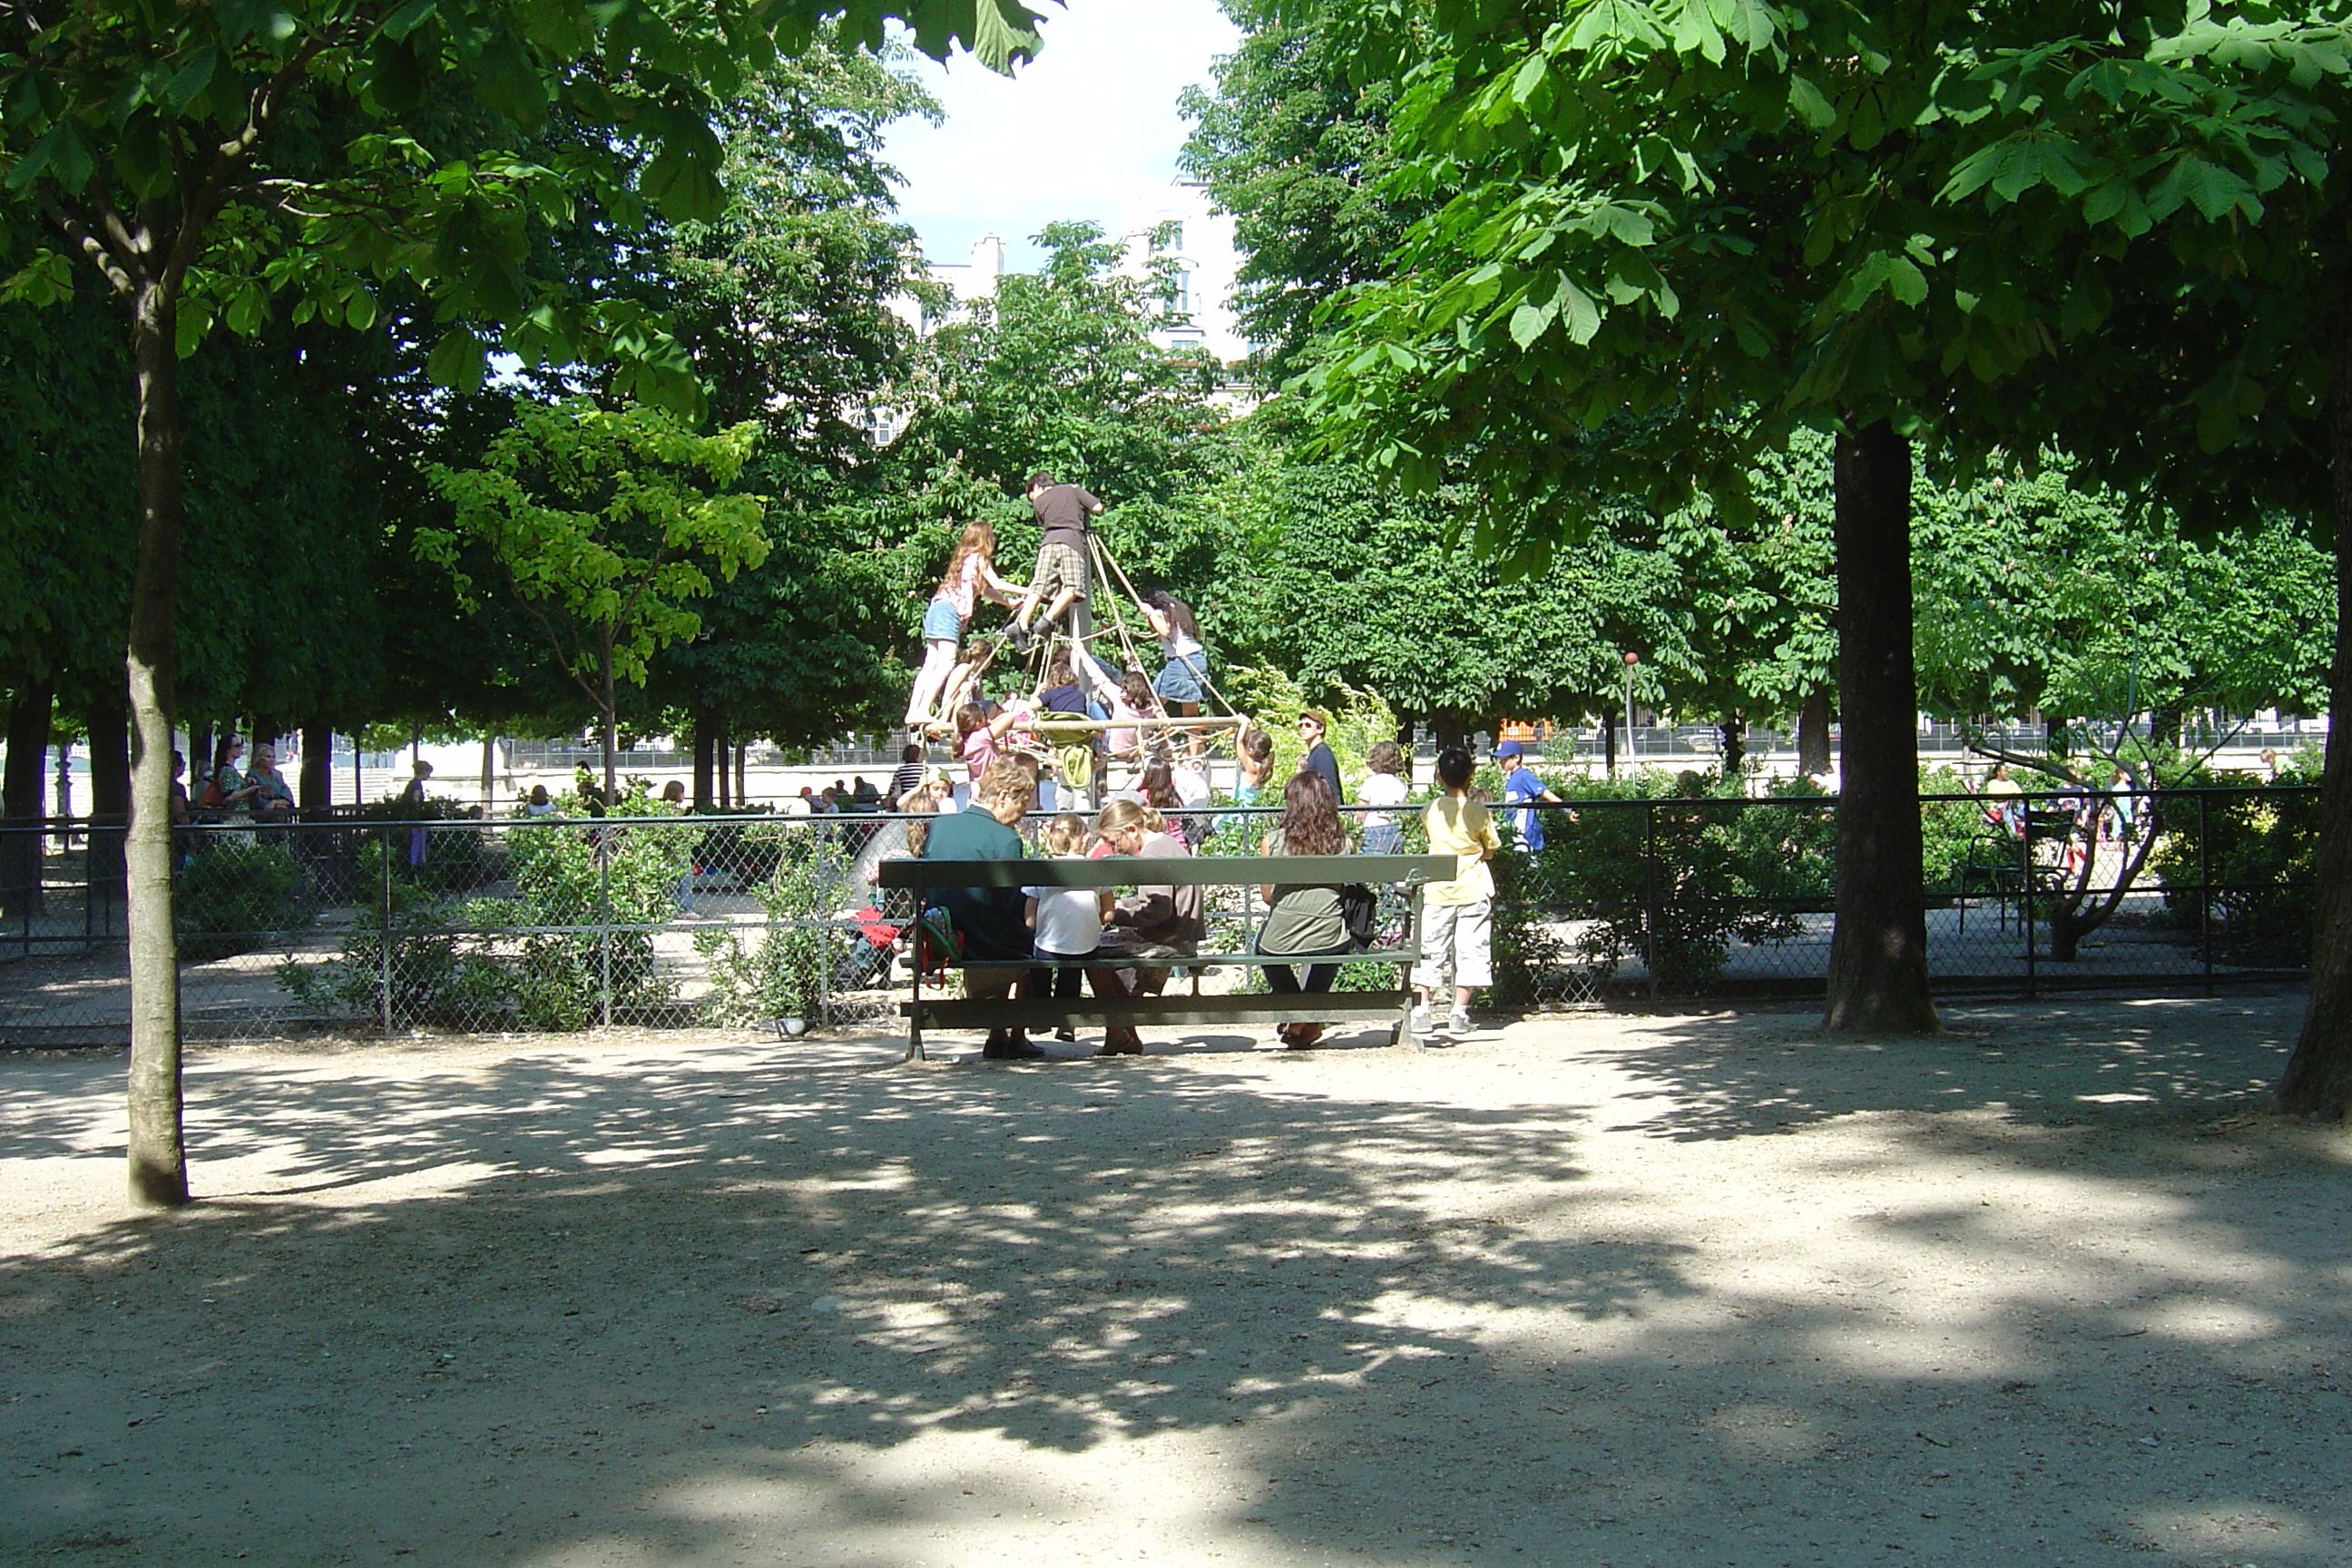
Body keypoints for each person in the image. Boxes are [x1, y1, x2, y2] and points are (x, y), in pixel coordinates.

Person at [922, 757, 1044, 1059]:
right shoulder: (1006, 839)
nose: (1024, 812)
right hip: (983, 940)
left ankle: (998, 1032)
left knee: (1001, 929)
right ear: (1004, 797)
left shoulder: (940, 827)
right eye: (1023, 802)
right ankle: (1014, 1033)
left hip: (944, 936)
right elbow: (1009, 904)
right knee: (1033, 941)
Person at [1093, 799, 1203, 1054]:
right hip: (1179, 931)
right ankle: (1122, 1033)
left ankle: (1119, 1031)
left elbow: (1157, 910)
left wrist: (1114, 914)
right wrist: (1122, 904)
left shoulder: (1153, 853)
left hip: (1170, 937)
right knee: (1099, 952)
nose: (1114, 848)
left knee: (1091, 952)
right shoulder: (1165, 843)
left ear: (1132, 830)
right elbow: (1155, 900)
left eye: (1114, 841)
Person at [1255, 770, 1352, 1049]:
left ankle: (1299, 1019)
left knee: (1261, 947)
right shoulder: (1343, 843)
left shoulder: (1272, 840)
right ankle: (1304, 1022)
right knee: (1332, 945)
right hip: (1330, 936)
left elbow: (1267, 897)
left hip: (1280, 940)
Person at [1414, 746, 1499, 1044]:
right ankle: (1459, 1013)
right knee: (1471, 950)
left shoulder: (1431, 809)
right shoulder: (1478, 811)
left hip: (1437, 888)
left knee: (1429, 948)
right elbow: (1489, 848)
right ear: (1471, 775)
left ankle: (1422, 1010)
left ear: (1438, 777)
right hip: (1472, 887)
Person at [906, 519, 1025, 727]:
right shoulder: (979, 558)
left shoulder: (963, 560)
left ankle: (913, 711)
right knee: (946, 663)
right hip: (949, 612)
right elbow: (996, 583)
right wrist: (1029, 591)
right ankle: (924, 709)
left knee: (930, 663)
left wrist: (1010, 602)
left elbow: (986, 590)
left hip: (937, 608)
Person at [1024, 815, 1113, 1045]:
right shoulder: (1097, 870)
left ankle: (1040, 1015)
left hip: (1047, 945)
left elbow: (1030, 920)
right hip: (1085, 944)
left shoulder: (1040, 869)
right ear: (1084, 839)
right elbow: (1109, 914)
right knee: (1073, 967)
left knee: (1039, 962)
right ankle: (1067, 1023)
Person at [1011, 472, 1103, 642]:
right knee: (1073, 586)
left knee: (1038, 586)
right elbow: (1097, 508)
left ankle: (1021, 623)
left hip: (1047, 544)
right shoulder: (1071, 489)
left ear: (1037, 487)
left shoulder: (1039, 503)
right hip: (1071, 541)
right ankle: (1047, 620)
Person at [1141, 590, 1209, 719]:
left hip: (1182, 660)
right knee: (1190, 714)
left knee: (1153, 702)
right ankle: (1191, 737)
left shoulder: (1161, 612)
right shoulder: (1178, 609)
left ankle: (1164, 730)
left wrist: (1149, 612)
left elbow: (1165, 630)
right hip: (1195, 658)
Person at [1494, 740, 1563, 853]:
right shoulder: (1512, 777)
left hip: (1525, 834)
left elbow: (1546, 793)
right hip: (1515, 832)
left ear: (1516, 758)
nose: (1501, 762)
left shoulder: (1524, 776)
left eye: (1504, 759)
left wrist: (1567, 809)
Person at [1357, 740, 1411, 856]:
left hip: (1374, 829)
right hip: (1396, 830)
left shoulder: (1371, 782)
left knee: (1369, 868)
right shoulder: (1401, 783)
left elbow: (1361, 811)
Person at [1298, 710, 1342, 804]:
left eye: (1308, 725)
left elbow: (1330, 788)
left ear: (1320, 729)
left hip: (1325, 812)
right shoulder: (1315, 753)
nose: (1303, 728)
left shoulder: (1322, 754)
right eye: (1301, 725)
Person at [246, 743, 296, 823]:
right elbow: (256, 800)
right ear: (259, 759)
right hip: (262, 817)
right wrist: (272, 805)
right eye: (268, 757)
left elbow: (287, 796)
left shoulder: (278, 775)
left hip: (281, 814)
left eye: (273, 757)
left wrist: (275, 803)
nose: (272, 760)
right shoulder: (252, 775)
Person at [401, 760, 433, 867]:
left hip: (411, 816)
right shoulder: (417, 785)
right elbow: (416, 799)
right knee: (418, 839)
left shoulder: (412, 783)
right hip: (415, 817)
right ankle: (415, 863)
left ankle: (414, 862)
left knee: (416, 839)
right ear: (424, 772)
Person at [1981, 762, 2024, 836]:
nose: (2007, 773)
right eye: (2005, 771)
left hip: (2014, 806)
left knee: (2031, 809)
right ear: (1998, 772)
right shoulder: (1992, 783)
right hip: (2000, 809)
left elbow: (2019, 793)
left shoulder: (2011, 782)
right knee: (2007, 813)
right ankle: (2013, 835)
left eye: (2007, 771)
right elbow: (1996, 797)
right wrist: (2010, 794)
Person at [887, 744, 926, 810]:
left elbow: (893, 789)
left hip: (904, 801)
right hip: (921, 802)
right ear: (918, 755)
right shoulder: (924, 770)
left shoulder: (900, 771)